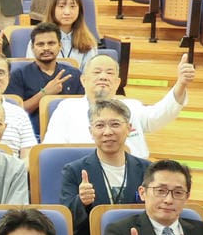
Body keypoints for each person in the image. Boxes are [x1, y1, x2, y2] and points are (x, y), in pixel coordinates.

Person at [61, 98, 150, 235]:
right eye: (100, 125)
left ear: (129, 128)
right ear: (91, 131)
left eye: (115, 124)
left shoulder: (148, 170)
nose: (107, 132)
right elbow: (65, 222)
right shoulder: (74, 171)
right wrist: (81, 202)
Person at [43, 50, 193, 158]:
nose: (103, 77)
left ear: (117, 82)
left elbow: (159, 115)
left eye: (109, 73)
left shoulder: (132, 106)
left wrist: (180, 84)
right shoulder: (66, 108)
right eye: (97, 72)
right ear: (83, 80)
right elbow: (52, 150)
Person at [6, 23, 84, 130]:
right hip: (33, 134)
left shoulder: (74, 74)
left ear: (60, 45)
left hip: (69, 131)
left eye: (51, 43)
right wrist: (44, 93)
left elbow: (83, 108)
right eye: (40, 44)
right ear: (32, 48)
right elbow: (14, 112)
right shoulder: (19, 74)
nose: (46, 48)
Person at [48, 0, 102, 71]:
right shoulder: (39, 39)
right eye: (61, 6)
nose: (67, 12)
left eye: (72, 6)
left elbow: (90, 74)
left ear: (79, 11)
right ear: (52, 10)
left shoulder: (88, 42)